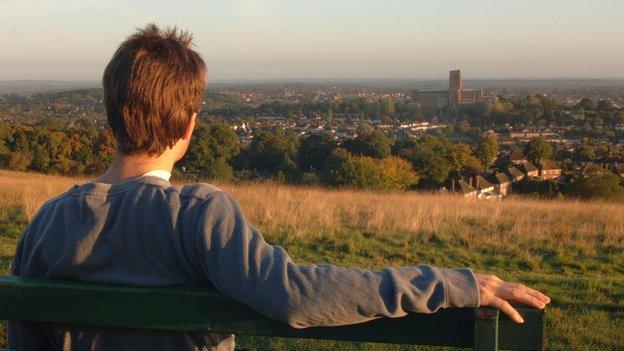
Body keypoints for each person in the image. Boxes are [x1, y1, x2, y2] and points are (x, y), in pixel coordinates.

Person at [9, 24, 550, 351]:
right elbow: (300, 296)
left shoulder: (47, 223)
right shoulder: (197, 214)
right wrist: (452, 284)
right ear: (190, 125)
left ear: (109, 116)